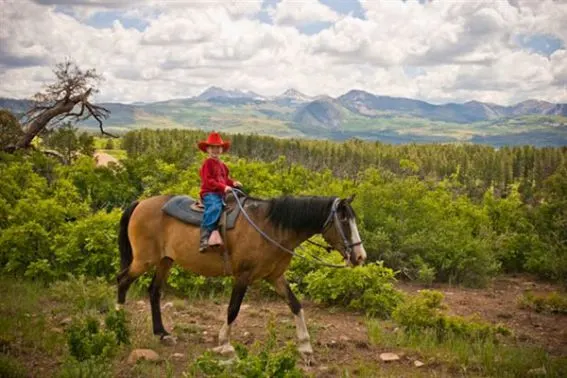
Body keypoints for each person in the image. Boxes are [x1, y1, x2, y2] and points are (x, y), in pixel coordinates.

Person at [197, 131, 242, 252]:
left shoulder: (223, 165)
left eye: (218, 148)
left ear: (222, 150)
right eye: (212, 148)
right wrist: (223, 187)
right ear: (207, 149)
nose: (215, 150)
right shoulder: (207, 163)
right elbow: (208, 181)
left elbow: (225, 179)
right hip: (210, 193)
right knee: (215, 208)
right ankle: (204, 236)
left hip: (221, 193)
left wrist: (233, 183)